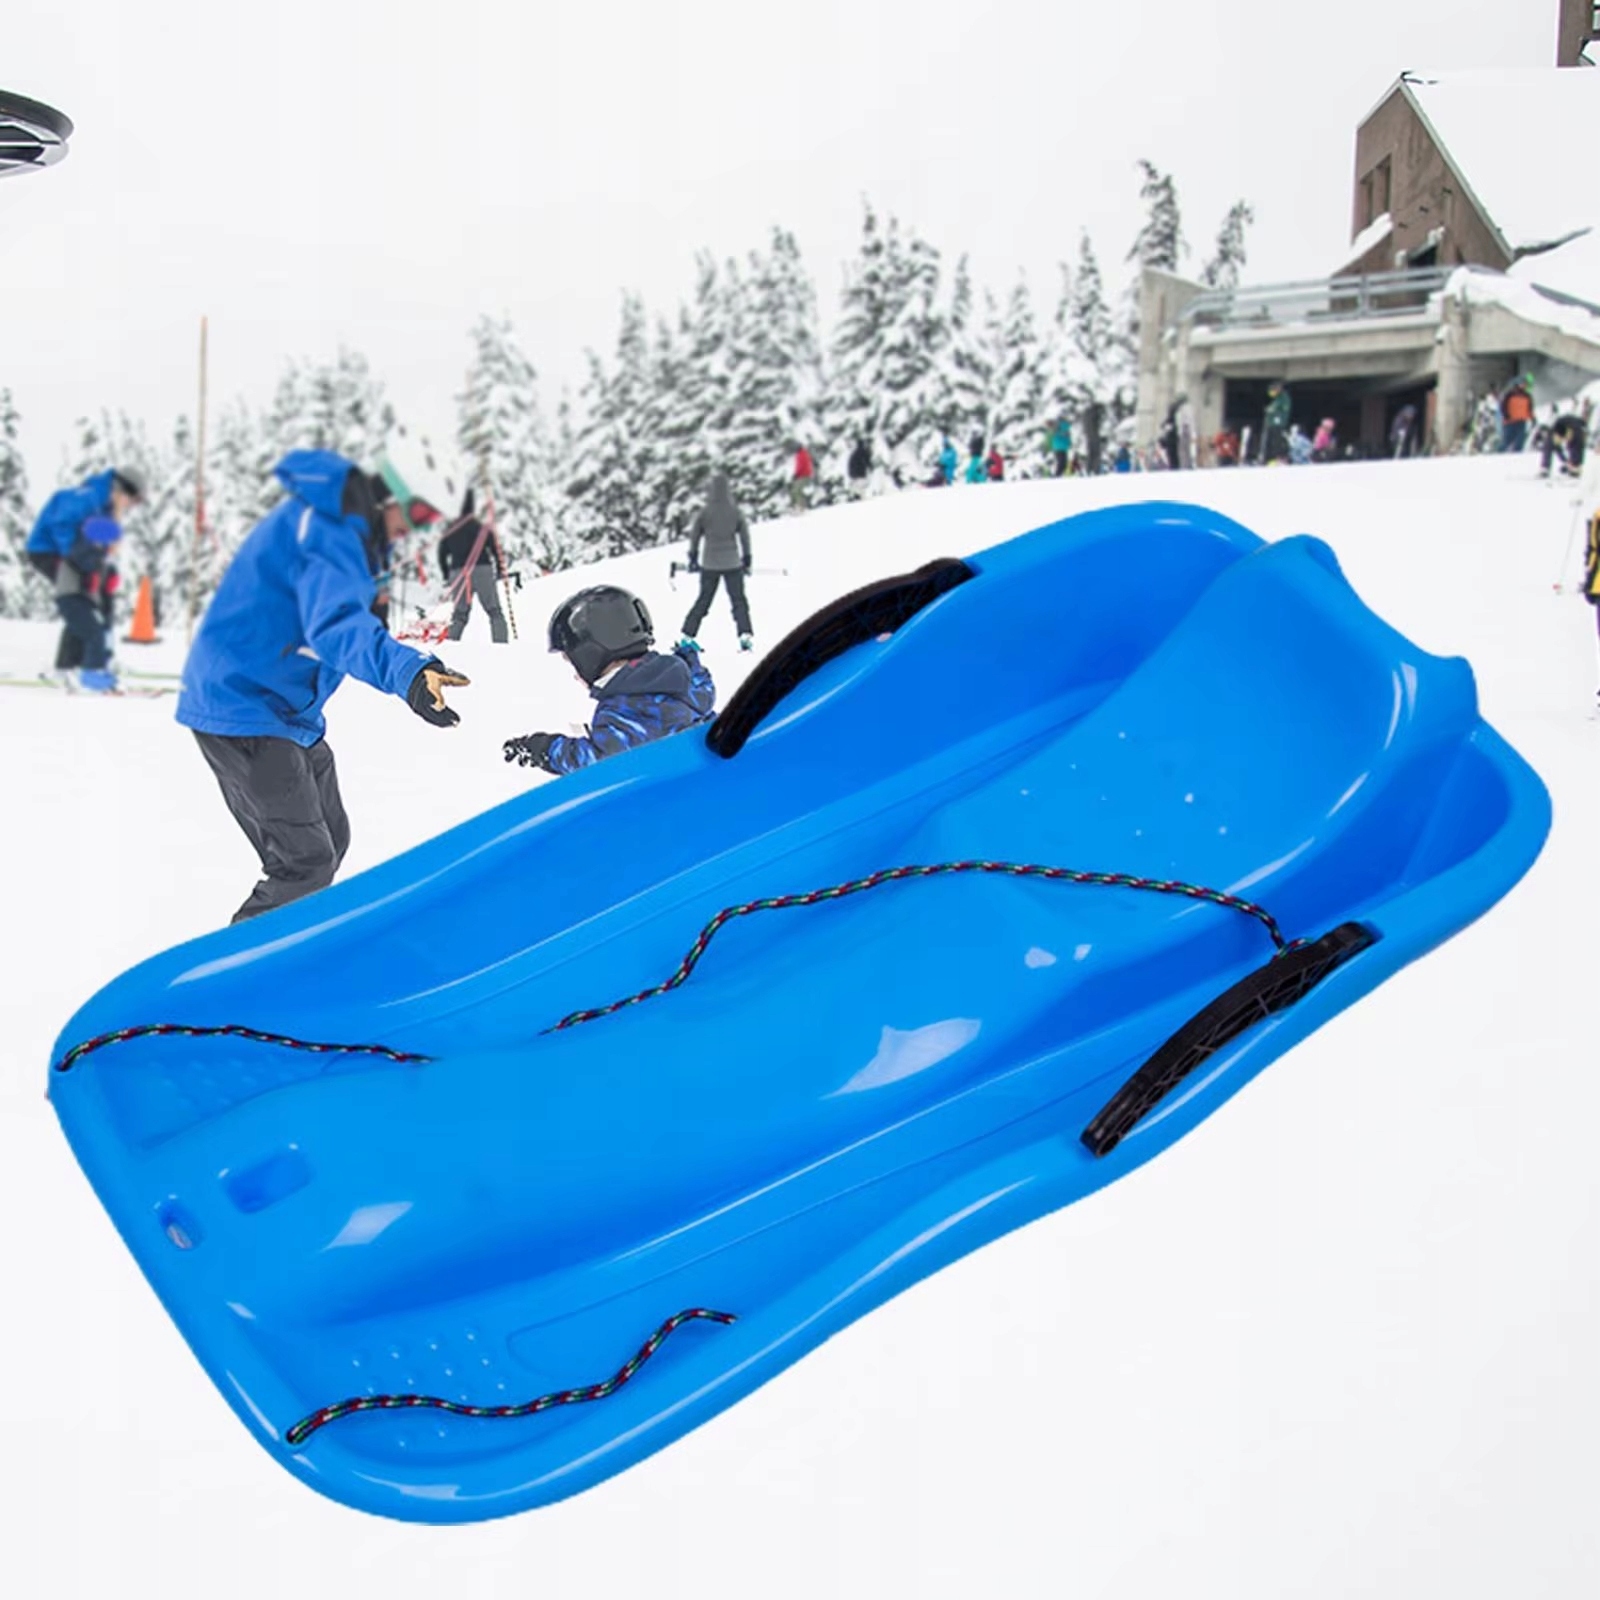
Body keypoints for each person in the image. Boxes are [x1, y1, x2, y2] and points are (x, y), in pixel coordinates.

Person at [176, 449, 470, 923]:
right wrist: (408, 671)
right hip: (242, 706)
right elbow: (334, 628)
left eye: (429, 519)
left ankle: (296, 942)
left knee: (331, 840)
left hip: (285, 711)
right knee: (305, 863)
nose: (417, 527)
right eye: (418, 512)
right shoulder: (328, 531)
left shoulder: (350, 533)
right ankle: (242, 961)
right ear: (389, 496)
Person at [504, 587, 715, 776]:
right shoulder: (681, 682)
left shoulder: (628, 707)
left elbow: (599, 764)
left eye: (573, 663)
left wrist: (547, 749)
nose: (575, 675)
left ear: (590, 655)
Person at [25, 467, 143, 683]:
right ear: (121, 490)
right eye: (133, 500)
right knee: (78, 600)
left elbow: (98, 545)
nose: (131, 507)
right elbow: (61, 523)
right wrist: (73, 559)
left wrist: (103, 569)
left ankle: (75, 663)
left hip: (73, 556)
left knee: (87, 602)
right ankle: (74, 666)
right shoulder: (90, 497)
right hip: (46, 550)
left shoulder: (106, 507)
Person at [680, 472, 754, 650]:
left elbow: (695, 536)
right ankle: (744, 634)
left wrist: (693, 558)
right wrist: (747, 559)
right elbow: (744, 537)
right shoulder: (735, 511)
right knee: (738, 601)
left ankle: (687, 635)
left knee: (704, 600)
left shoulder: (705, 513)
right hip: (732, 563)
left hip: (710, 564)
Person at [437, 489, 508, 642]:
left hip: (458, 572)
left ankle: (451, 645)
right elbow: (496, 550)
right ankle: (501, 645)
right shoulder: (482, 528)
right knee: (494, 611)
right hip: (483, 569)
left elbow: (442, 554)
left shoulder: (450, 530)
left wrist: (446, 575)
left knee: (459, 615)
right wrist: (500, 570)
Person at [1541, 411, 1588, 477]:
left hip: (1561, 427)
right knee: (1575, 447)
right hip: (1568, 428)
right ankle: (1574, 468)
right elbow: (1578, 449)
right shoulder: (1578, 429)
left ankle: (1545, 468)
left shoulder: (1558, 427)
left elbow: (1557, 446)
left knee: (1552, 443)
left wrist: (1565, 461)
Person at [1500, 376, 1534, 452]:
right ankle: (1498, 454)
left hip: (1521, 421)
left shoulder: (1527, 396)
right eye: (1522, 383)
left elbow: (1529, 409)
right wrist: (1506, 415)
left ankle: (1517, 455)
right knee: (1507, 441)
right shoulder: (1509, 395)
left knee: (1520, 442)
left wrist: (1533, 418)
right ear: (1517, 384)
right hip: (1510, 421)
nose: (1524, 385)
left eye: (1525, 384)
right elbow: (1503, 406)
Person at [1261, 382, 1292, 464]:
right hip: (1271, 424)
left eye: (1273, 389)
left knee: (1276, 442)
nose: (1272, 392)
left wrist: (1272, 410)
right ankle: (1268, 459)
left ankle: (1277, 459)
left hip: (1278, 424)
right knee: (1269, 442)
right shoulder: (1277, 399)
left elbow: (1283, 409)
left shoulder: (1284, 398)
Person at [790, 443, 815, 510]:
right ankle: (800, 506)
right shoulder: (803, 453)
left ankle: (801, 507)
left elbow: (800, 465)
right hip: (804, 475)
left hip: (803, 475)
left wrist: (796, 474)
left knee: (797, 491)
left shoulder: (801, 454)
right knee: (796, 490)